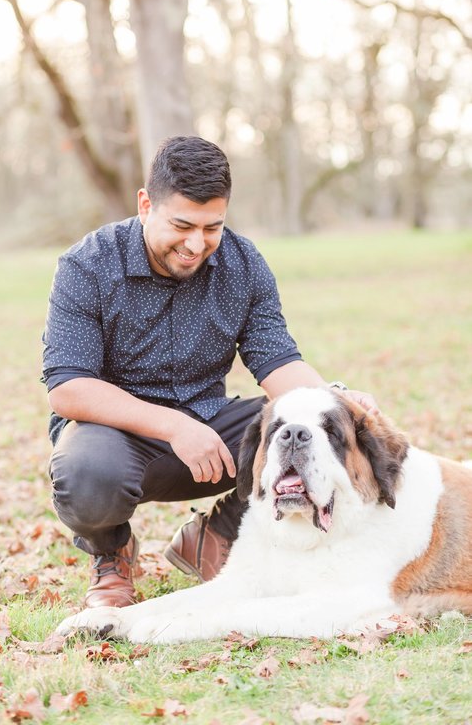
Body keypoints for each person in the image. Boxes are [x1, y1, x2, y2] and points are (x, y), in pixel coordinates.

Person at [42, 136, 380, 610]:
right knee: (86, 474)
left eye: (212, 227)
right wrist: (176, 426)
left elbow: (277, 359)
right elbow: (69, 388)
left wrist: (337, 402)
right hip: (113, 439)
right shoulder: (87, 265)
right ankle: (111, 552)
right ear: (145, 205)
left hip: (211, 435)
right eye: (181, 225)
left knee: (303, 430)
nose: (196, 244)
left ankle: (217, 535)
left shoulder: (244, 264)